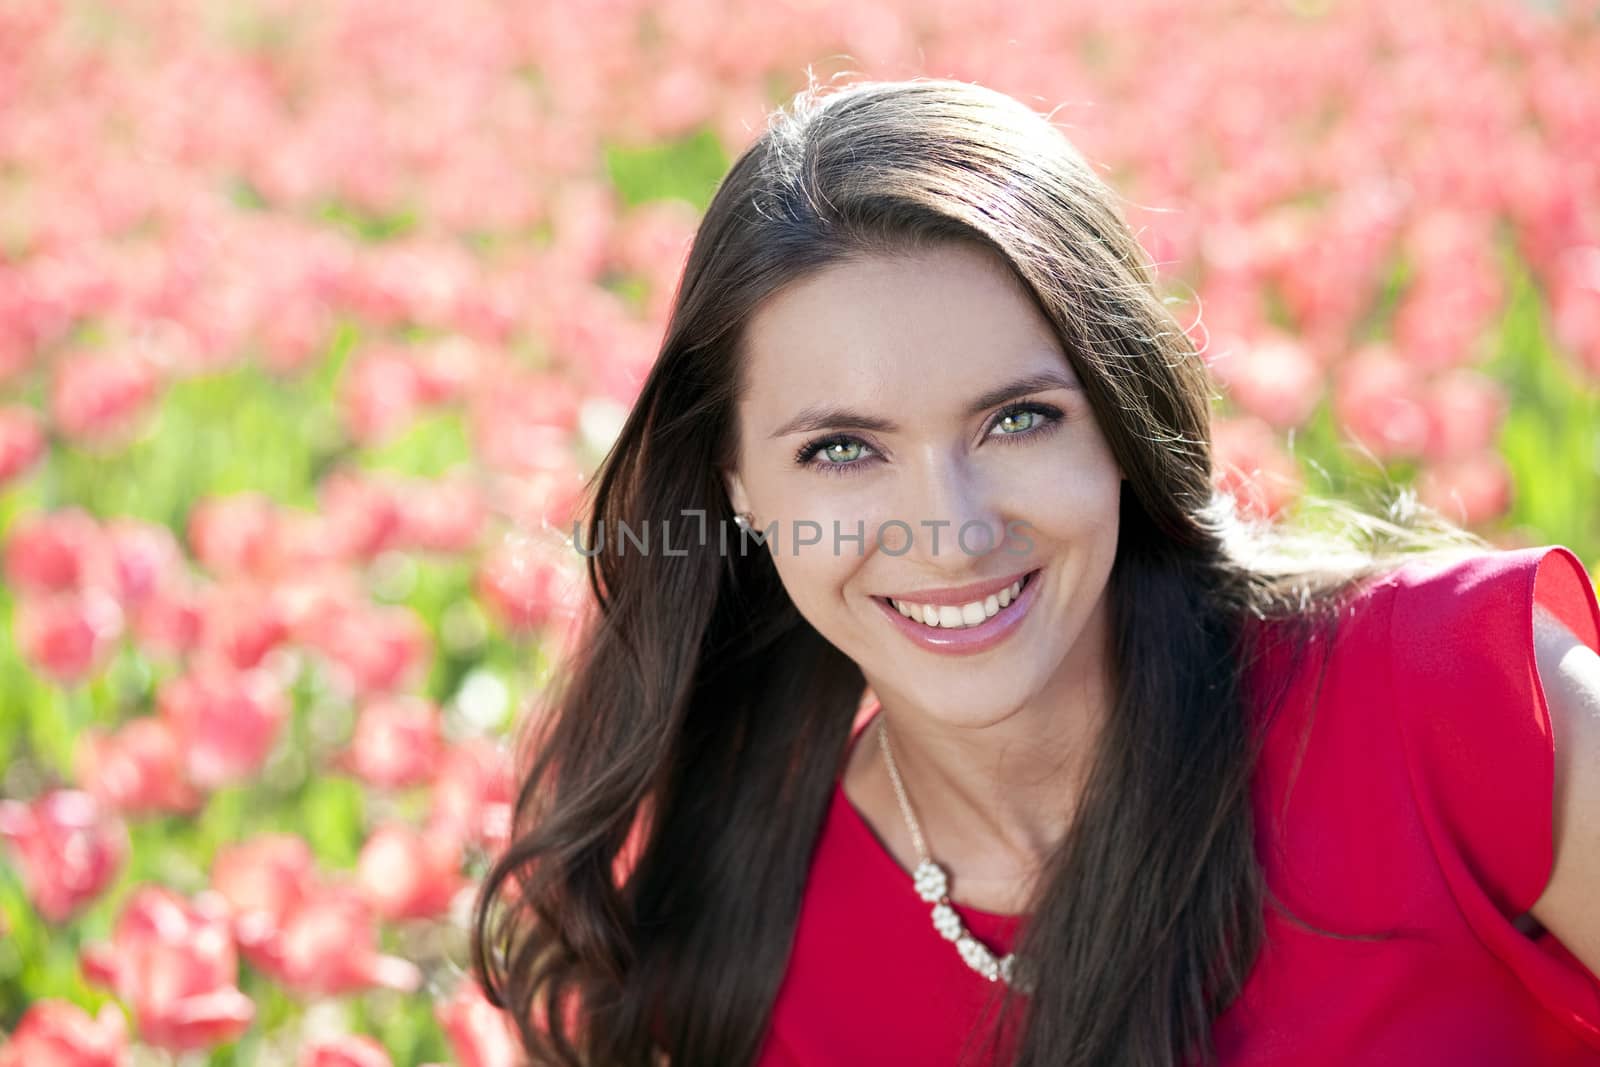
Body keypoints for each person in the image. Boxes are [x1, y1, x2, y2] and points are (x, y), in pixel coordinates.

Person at [472, 77, 1600, 1066]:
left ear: (1116, 422)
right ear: (737, 487)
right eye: (843, 449)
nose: (952, 529)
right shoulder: (746, 939)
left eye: (1017, 419)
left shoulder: (1458, 701)